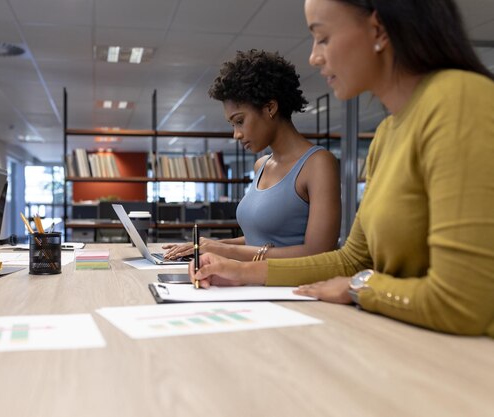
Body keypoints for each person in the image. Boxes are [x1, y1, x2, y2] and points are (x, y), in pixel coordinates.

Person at [189, 0, 494, 337]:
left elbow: (461, 301)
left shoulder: (460, 101)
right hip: (409, 339)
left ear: (377, 29)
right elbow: (350, 259)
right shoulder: (387, 134)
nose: (314, 57)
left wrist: (359, 288)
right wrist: (239, 272)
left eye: (322, 38)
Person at [164, 49, 341, 262]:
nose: (236, 134)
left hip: (291, 291)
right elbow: (257, 241)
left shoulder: (318, 164)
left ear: (270, 108)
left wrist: (225, 251)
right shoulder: (262, 165)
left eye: (240, 121)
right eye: (232, 124)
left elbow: (319, 255)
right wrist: (202, 246)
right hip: (254, 283)